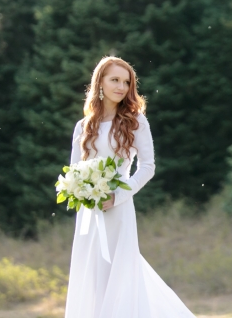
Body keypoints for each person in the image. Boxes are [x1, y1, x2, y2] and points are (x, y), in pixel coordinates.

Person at [65, 56, 196, 318]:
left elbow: (147, 167)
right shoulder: (83, 127)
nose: (121, 87)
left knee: (122, 272)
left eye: (126, 82)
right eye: (115, 80)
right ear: (99, 83)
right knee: (90, 274)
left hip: (119, 209)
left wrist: (118, 196)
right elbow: (74, 171)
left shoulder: (136, 122)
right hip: (89, 216)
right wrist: (81, 193)